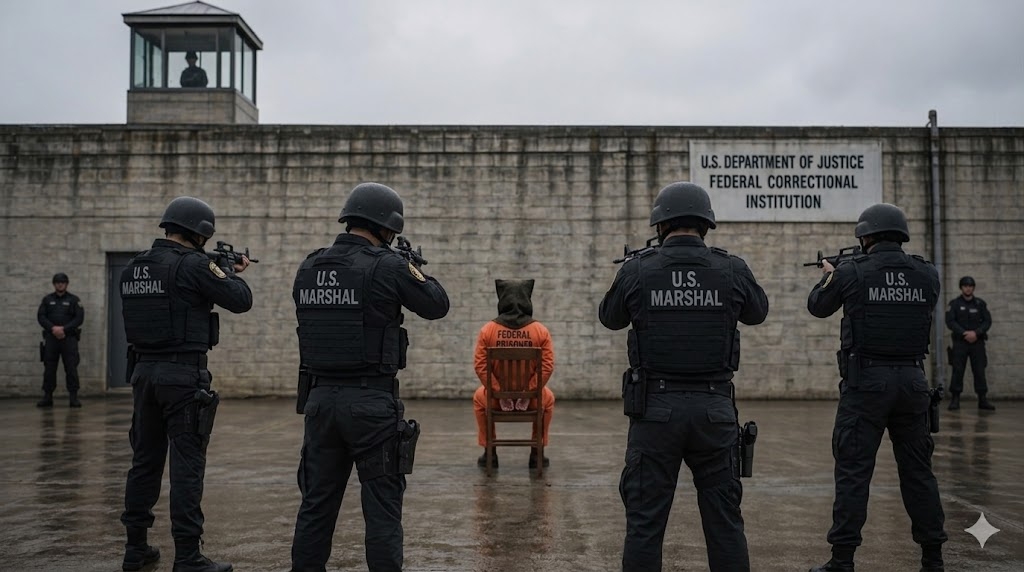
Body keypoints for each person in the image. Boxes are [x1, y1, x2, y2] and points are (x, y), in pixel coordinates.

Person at [599, 181, 769, 572]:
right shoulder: (731, 268)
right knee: (725, 524)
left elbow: (609, 318)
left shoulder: (639, 268)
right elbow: (758, 312)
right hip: (715, 411)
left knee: (644, 524)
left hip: (655, 411)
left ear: (660, 225)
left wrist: (630, 271)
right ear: (705, 225)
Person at [290, 182, 450, 572]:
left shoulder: (309, 266)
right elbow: (437, 304)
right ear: (387, 227)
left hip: (319, 403)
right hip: (370, 406)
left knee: (316, 506)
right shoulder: (389, 265)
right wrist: (412, 265)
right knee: (381, 512)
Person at [806, 203, 946, 572]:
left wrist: (830, 275)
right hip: (913, 382)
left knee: (853, 472)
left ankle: (843, 560)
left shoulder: (851, 271)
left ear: (865, 236)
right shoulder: (926, 273)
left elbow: (818, 306)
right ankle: (933, 559)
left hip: (866, 384)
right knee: (919, 473)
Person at [119, 196, 252, 572]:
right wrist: (227, 271)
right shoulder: (194, 264)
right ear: (200, 233)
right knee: (187, 466)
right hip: (182, 377)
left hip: (143, 374)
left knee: (143, 462)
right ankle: (189, 556)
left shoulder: (134, 267)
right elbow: (241, 300)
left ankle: (135, 548)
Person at [472, 279, 556, 469]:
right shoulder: (540, 331)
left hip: (496, 399)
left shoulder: (488, 330)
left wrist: (498, 393)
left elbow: (480, 366)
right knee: (548, 399)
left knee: (479, 398)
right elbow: (547, 366)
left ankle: (489, 452)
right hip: (532, 400)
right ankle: (537, 452)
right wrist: (529, 392)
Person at [945, 276, 994, 411]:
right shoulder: (954, 304)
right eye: (965, 286)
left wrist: (976, 333)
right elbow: (950, 321)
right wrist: (964, 333)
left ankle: (982, 399)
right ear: (961, 288)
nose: (968, 288)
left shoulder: (980, 304)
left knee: (979, 370)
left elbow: (987, 321)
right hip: (960, 343)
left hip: (977, 343)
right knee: (957, 371)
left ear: (973, 288)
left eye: (970, 286)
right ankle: (955, 400)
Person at [36, 272, 84, 408]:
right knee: (49, 368)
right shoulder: (47, 300)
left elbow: (79, 318)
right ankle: (47, 397)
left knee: (71, 368)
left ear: (66, 284)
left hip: (69, 339)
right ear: (54, 284)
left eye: (62, 282)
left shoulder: (74, 300)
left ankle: (73, 397)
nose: (60, 284)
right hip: (52, 339)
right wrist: (53, 329)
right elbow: (41, 317)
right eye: (57, 282)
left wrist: (64, 329)